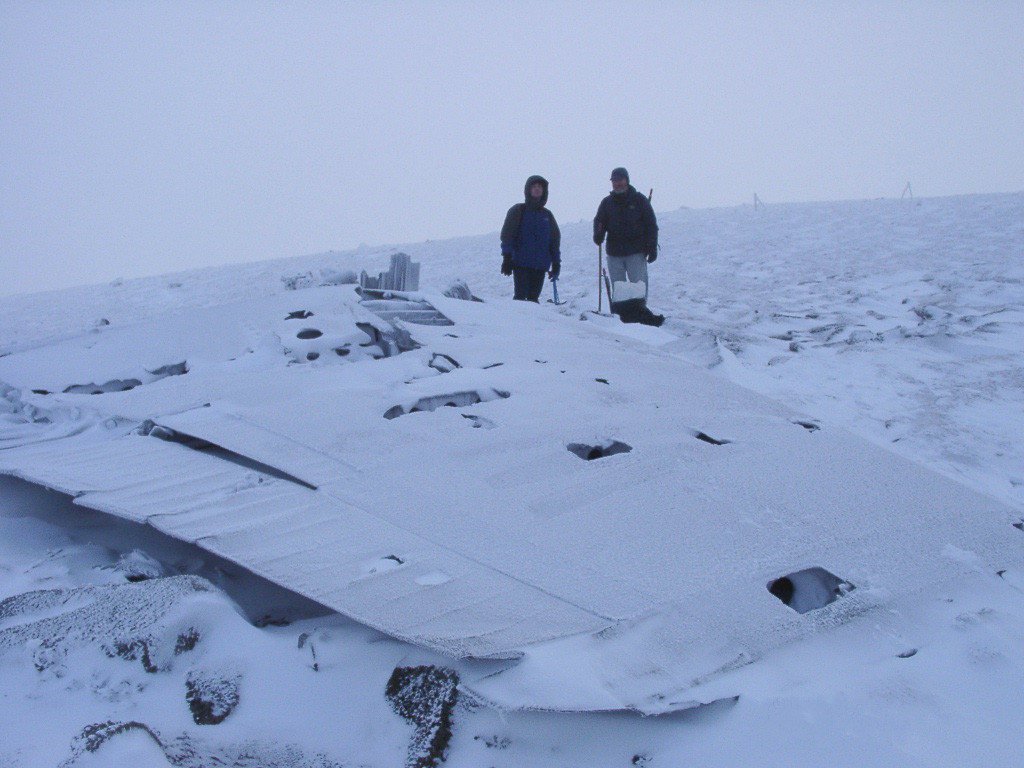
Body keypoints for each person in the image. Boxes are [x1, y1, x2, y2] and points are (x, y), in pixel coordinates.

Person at [593, 167, 664, 326]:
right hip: (614, 253)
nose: (617, 183)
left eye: (620, 180)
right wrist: (598, 234)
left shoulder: (639, 200)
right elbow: (599, 221)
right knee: (619, 288)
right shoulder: (607, 203)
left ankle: (640, 316)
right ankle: (621, 317)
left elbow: (651, 225)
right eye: (614, 181)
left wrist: (652, 247)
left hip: (636, 252)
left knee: (638, 286)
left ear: (627, 180)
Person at [500, 175, 561, 302]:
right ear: (528, 189)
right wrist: (507, 257)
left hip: (540, 265)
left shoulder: (547, 215)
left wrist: (556, 263)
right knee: (520, 298)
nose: (537, 189)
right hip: (521, 263)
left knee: (534, 299)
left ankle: (532, 322)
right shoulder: (518, 210)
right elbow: (507, 235)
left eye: (540, 187)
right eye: (534, 186)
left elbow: (554, 242)